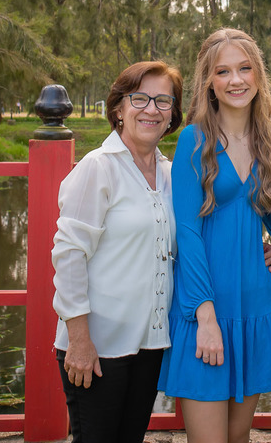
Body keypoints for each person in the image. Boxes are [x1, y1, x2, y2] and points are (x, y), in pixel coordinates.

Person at [158, 28, 271, 443]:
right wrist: (205, 317)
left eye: (245, 68)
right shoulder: (195, 140)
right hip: (206, 310)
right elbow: (188, 234)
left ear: (259, 76)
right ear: (209, 81)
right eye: (223, 71)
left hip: (255, 307)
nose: (236, 80)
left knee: (238, 438)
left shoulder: (269, 140)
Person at [52, 61, 184, 443]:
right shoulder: (98, 168)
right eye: (140, 98)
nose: (152, 109)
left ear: (173, 113)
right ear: (118, 109)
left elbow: (190, 240)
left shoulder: (172, 175)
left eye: (164, 101)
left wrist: (263, 251)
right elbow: (69, 253)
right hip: (98, 346)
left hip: (149, 343)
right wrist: (79, 340)